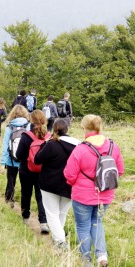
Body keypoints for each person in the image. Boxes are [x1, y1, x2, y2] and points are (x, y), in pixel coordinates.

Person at [64, 114, 124, 267]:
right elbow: (120, 171)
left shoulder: (81, 149)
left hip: (82, 196)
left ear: (84, 128)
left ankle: (86, 260)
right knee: (97, 223)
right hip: (105, 195)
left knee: (83, 226)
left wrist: (73, 183)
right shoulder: (113, 146)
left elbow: (69, 174)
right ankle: (102, 256)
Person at [35, 118, 80, 251]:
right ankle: (58, 239)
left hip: (49, 183)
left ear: (54, 130)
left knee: (52, 213)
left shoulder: (51, 144)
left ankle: (60, 240)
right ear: (68, 129)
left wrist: (44, 144)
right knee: (62, 213)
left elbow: (37, 159)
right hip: (70, 184)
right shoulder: (78, 145)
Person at [15, 110, 49, 234]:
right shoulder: (48, 137)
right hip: (43, 171)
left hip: (26, 170)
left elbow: (19, 155)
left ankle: (25, 218)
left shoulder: (26, 136)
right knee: (41, 196)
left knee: (26, 193)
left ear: (31, 120)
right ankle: (44, 222)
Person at [0, 104, 30, 208]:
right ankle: (25, 206)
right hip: (24, 161)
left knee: (11, 181)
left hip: (11, 160)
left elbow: (5, 146)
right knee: (25, 184)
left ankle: (9, 201)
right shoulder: (28, 126)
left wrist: (3, 163)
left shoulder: (10, 126)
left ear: (13, 114)